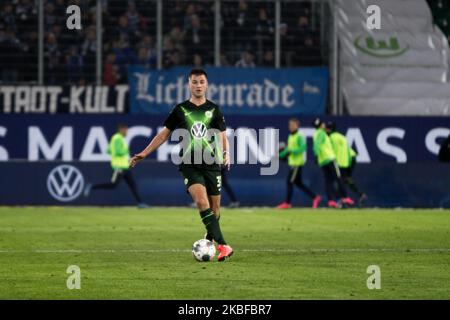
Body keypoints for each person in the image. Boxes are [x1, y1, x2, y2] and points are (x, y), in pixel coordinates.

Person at [129, 69, 234, 262]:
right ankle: (223, 246)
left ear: (207, 84)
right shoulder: (180, 109)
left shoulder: (214, 110)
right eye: (194, 82)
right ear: (189, 85)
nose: (198, 85)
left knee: (215, 210)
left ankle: (209, 240)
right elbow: (163, 135)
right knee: (202, 203)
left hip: (211, 163)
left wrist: (226, 153)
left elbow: (222, 135)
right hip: (189, 163)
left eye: (201, 81)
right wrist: (144, 153)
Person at [84, 124, 148, 208]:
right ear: (121, 129)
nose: (127, 132)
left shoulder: (116, 138)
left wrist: (115, 152)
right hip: (119, 167)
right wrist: (125, 150)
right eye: (126, 130)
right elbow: (118, 151)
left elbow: (108, 150)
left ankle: (140, 203)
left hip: (125, 166)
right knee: (113, 185)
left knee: (133, 185)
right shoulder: (118, 138)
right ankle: (92, 186)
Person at [277, 118, 321, 209]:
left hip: (297, 164)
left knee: (289, 182)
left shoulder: (299, 136)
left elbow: (303, 148)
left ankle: (287, 203)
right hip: (292, 163)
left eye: (292, 125)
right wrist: (280, 154)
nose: (290, 126)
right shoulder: (291, 136)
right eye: (289, 125)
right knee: (299, 183)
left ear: (297, 125)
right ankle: (315, 197)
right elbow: (288, 149)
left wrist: (292, 151)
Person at [312, 118, 354, 208]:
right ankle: (345, 197)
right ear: (321, 125)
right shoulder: (321, 133)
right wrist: (316, 155)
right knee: (338, 178)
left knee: (328, 181)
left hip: (323, 161)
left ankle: (330, 200)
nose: (325, 126)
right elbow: (317, 145)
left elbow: (316, 145)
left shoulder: (316, 134)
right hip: (330, 159)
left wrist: (317, 156)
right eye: (323, 124)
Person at [327, 121, 367, 206]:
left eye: (327, 128)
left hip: (341, 162)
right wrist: (347, 163)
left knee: (338, 181)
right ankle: (360, 194)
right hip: (350, 159)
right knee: (346, 179)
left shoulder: (330, 138)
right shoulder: (341, 136)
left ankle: (343, 200)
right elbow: (347, 150)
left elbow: (332, 152)